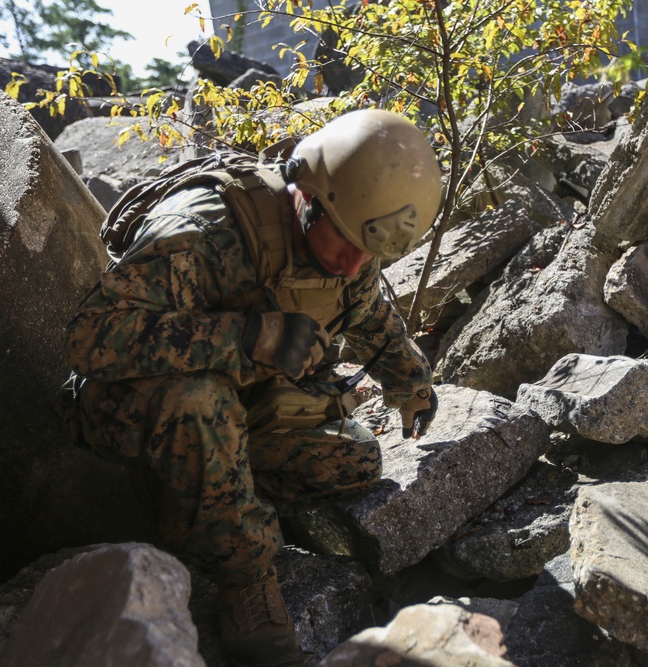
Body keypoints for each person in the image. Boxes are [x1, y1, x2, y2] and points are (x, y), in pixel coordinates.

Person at [62, 109, 442, 667]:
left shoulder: (351, 232)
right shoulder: (204, 230)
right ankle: (244, 579)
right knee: (199, 401)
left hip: (239, 407)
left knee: (354, 462)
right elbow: (90, 338)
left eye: (371, 251)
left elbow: (369, 315)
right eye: (349, 244)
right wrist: (246, 335)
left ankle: (207, 495)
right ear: (309, 196)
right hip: (131, 406)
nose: (355, 264)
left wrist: (410, 381)